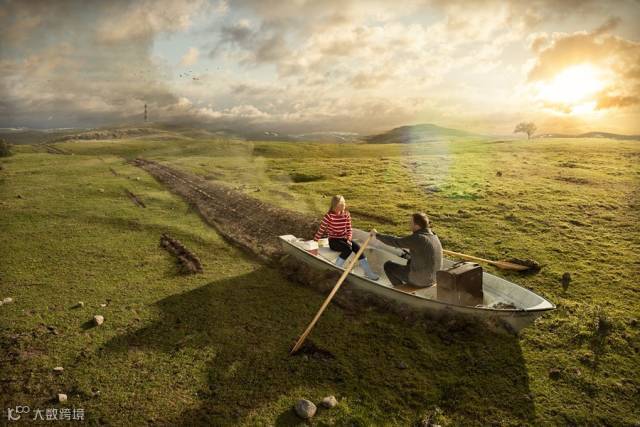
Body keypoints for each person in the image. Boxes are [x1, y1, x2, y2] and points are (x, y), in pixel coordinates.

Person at [314, 195, 379, 280]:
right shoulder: (329, 216)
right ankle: (335, 270)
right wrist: (314, 243)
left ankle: (368, 272)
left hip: (344, 239)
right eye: (342, 203)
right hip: (333, 241)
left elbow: (349, 229)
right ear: (336, 205)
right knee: (348, 249)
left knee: (358, 248)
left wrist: (348, 238)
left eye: (344, 203)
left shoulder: (346, 215)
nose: (344, 205)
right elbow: (321, 230)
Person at [372, 212, 442, 288]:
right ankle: (410, 281)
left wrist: (377, 235)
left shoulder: (419, 238)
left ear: (417, 225)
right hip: (434, 278)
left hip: (422, 280)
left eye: (411, 222)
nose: (409, 224)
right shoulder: (434, 235)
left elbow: (395, 241)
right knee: (410, 261)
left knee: (388, 266)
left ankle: (399, 289)